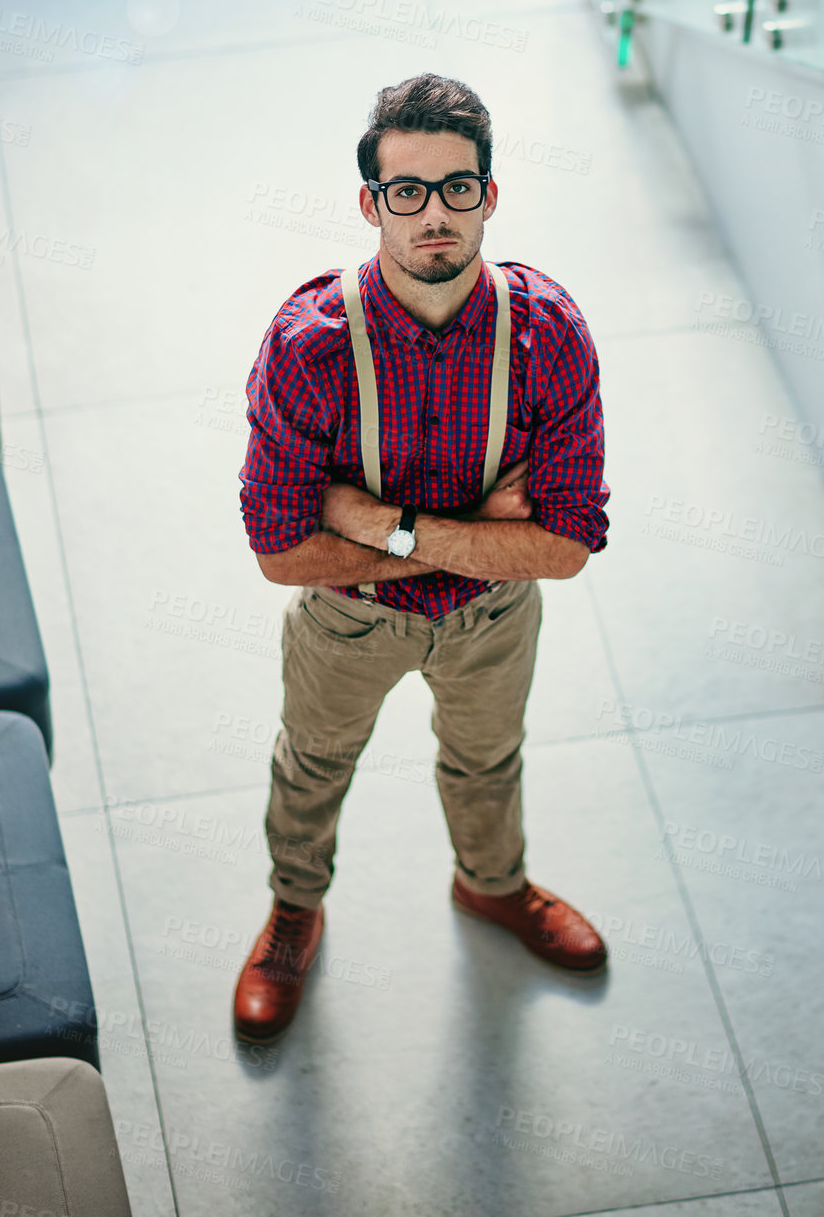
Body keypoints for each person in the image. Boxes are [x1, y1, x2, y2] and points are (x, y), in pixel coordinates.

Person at [232, 72, 611, 1043]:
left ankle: (492, 885)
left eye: (456, 186)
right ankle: (292, 910)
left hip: (491, 621)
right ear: (371, 203)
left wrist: (377, 526)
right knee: (312, 762)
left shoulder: (547, 335)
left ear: (490, 194)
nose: (433, 212)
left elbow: (564, 546)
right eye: (407, 190)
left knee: (487, 760)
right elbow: (280, 554)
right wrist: (482, 537)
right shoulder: (307, 347)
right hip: (346, 619)